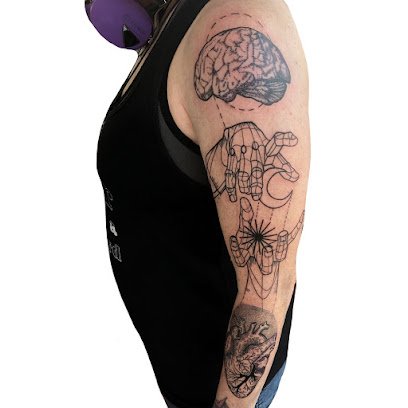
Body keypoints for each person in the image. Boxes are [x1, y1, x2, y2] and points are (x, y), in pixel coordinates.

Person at [94, 0, 310, 406]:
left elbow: (267, 287)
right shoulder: (174, 21)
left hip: (223, 388)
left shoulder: (238, 20)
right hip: (179, 370)